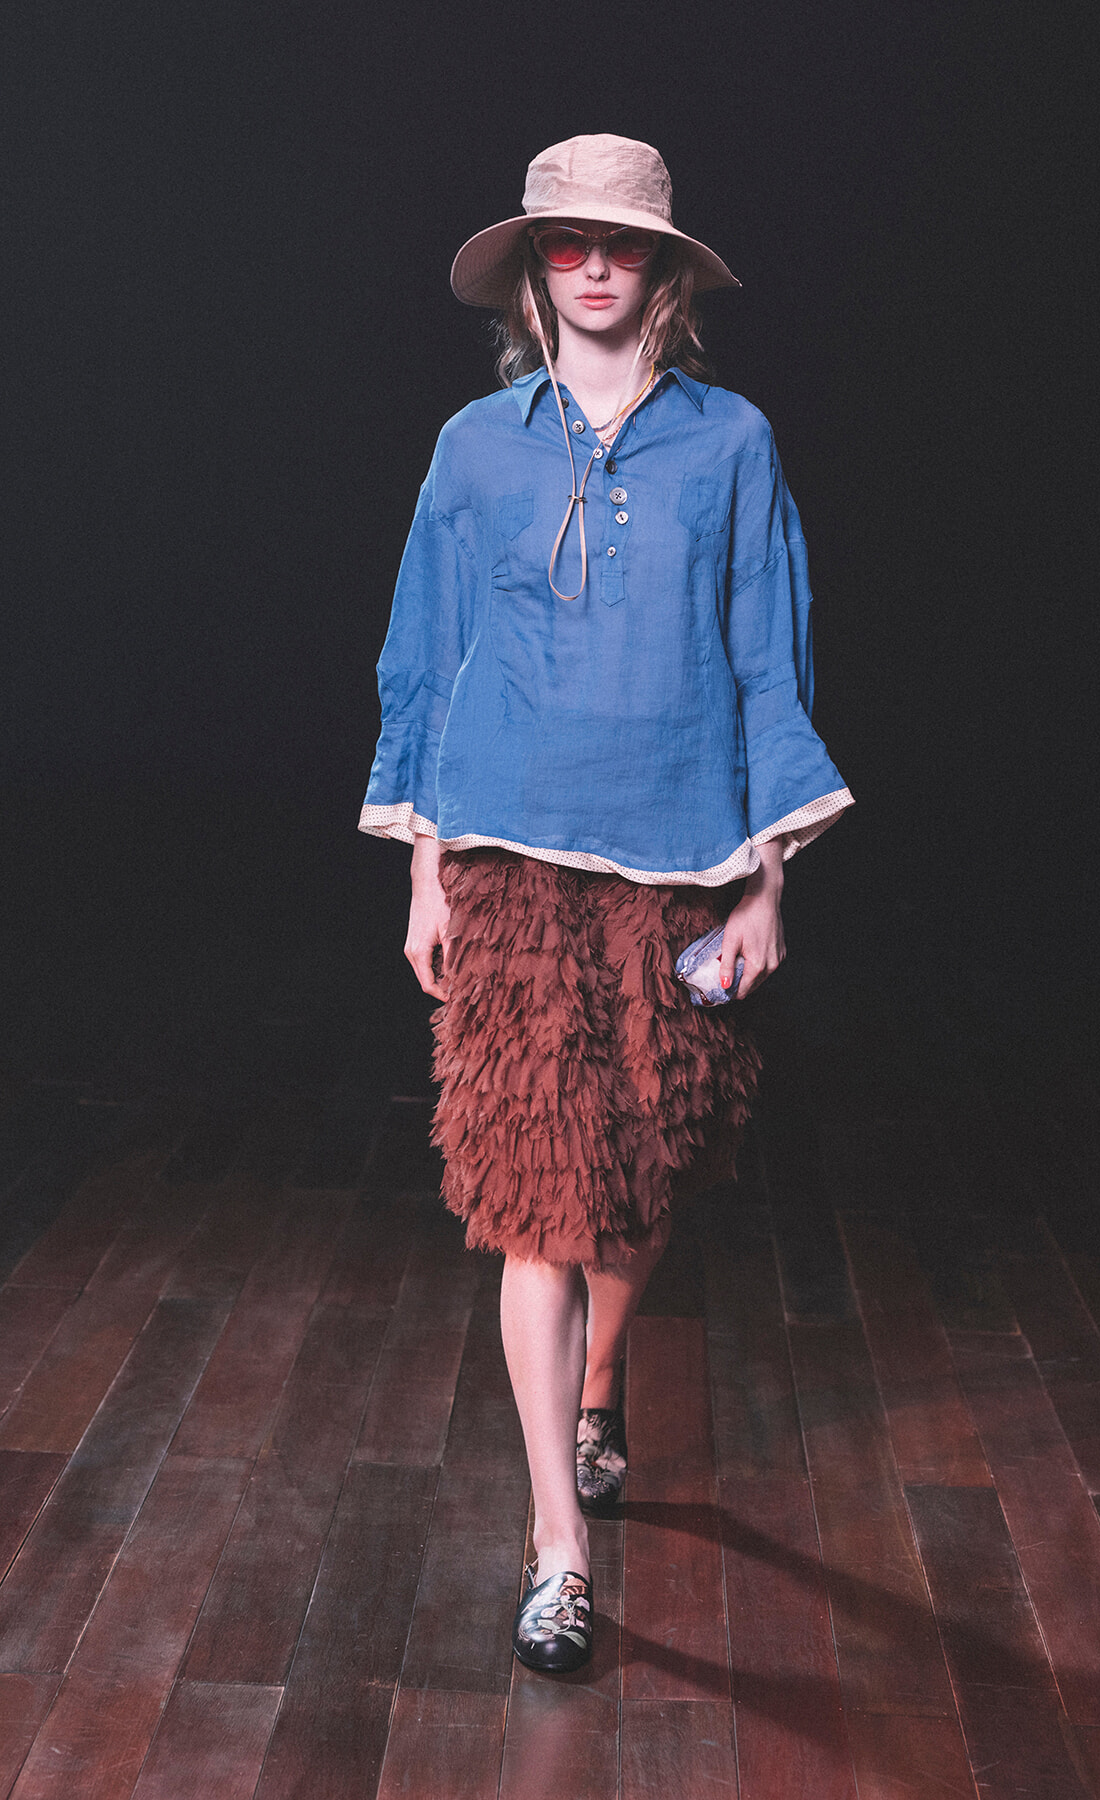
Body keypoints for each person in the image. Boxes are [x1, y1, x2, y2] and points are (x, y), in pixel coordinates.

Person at [360, 134, 852, 1674]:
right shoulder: (472, 447)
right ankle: (556, 1549)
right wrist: (426, 869)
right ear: (529, 271)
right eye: (561, 243)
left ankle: (596, 1396)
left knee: (640, 1174)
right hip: (508, 853)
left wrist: (769, 884)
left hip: (683, 863)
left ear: (661, 273)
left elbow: (771, 658)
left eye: (618, 244)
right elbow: (427, 659)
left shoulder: (731, 445)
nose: (589, 265)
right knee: (530, 1199)